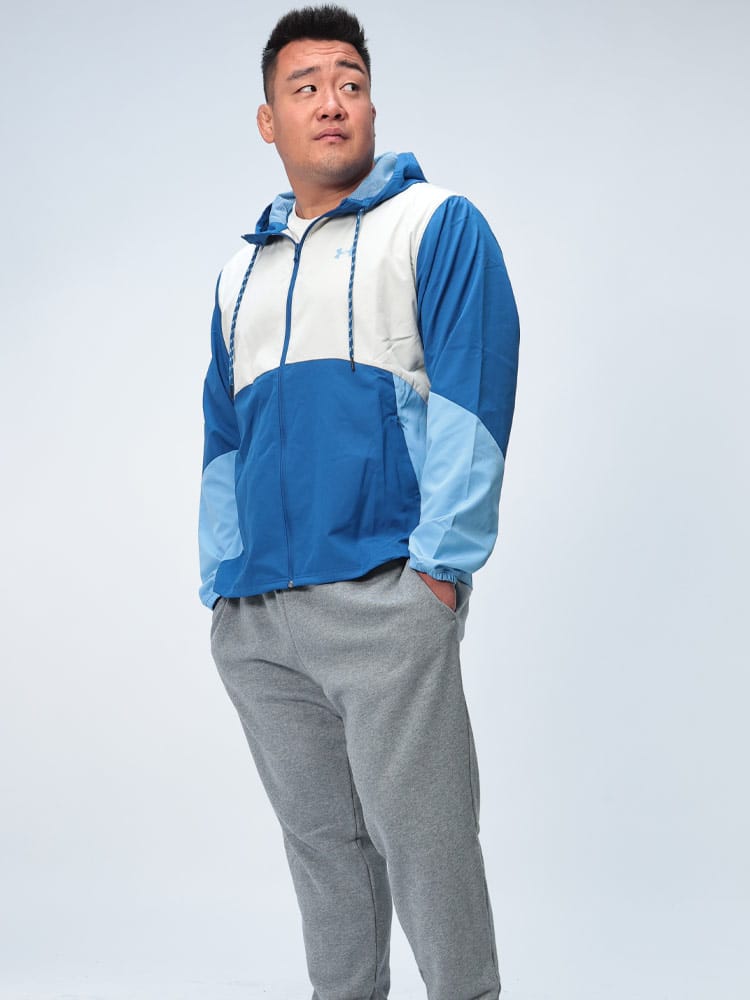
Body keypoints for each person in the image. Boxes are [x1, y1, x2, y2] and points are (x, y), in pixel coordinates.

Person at [199, 6, 519, 999]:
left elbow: (475, 394)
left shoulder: (437, 225)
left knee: (428, 847)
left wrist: (438, 572)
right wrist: (223, 586)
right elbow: (223, 436)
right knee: (323, 858)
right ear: (269, 120)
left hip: (386, 595)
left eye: (350, 82)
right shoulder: (239, 272)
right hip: (261, 618)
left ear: (372, 104)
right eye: (305, 87)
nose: (331, 101)